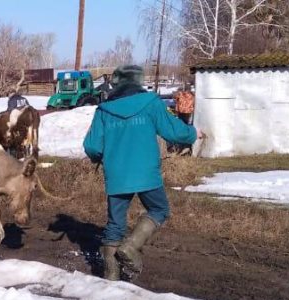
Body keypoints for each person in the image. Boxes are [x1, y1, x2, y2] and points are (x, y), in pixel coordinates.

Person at [83, 65, 202, 281]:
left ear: (116, 83)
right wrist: (194, 133)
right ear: (138, 81)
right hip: (146, 172)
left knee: (114, 224)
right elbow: (173, 131)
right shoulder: (151, 104)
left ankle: (110, 278)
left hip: (117, 174)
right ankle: (131, 246)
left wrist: (100, 156)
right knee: (159, 209)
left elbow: (91, 146)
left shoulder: (104, 110)